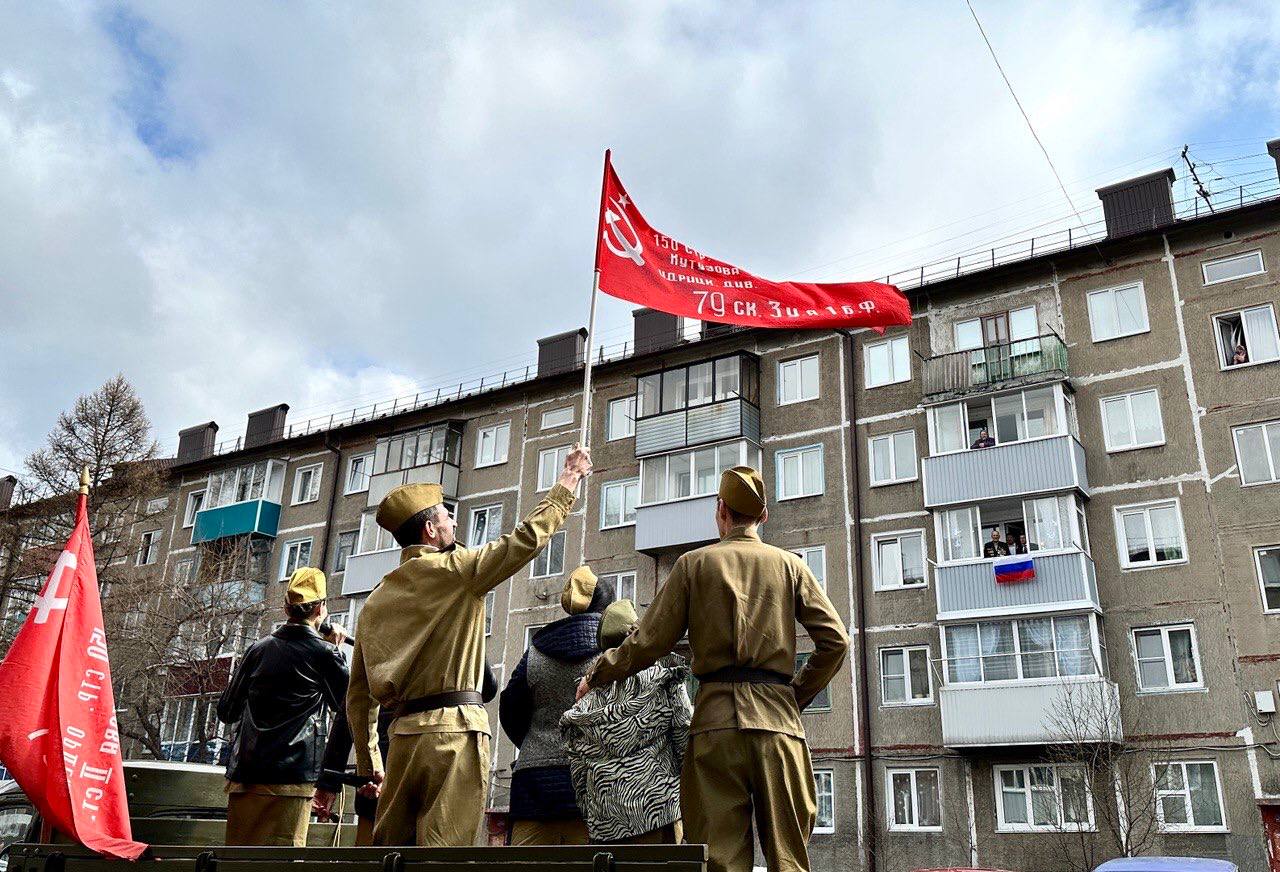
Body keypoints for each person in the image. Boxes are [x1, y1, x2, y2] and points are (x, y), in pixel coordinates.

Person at [576, 466, 848, 872]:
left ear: (721, 511)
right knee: (789, 861)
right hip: (777, 726)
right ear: (764, 516)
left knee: (718, 862)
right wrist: (793, 697)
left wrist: (596, 675)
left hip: (714, 726)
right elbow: (837, 641)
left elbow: (647, 642)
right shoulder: (792, 566)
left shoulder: (692, 565)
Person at [347, 445, 591, 847]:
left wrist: (370, 762)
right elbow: (523, 541)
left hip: (402, 739)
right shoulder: (456, 571)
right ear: (430, 530)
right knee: (446, 852)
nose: (453, 520)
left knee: (389, 853)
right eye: (446, 514)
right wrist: (567, 481)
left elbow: (358, 696)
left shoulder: (374, 600)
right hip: (454, 736)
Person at [216, 568, 349, 847]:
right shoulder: (324, 653)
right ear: (321, 609)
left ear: (286, 607)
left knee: (238, 862)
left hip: (246, 777)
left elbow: (227, 711)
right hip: (293, 780)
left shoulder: (257, 649)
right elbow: (346, 708)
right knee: (281, 861)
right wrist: (335, 652)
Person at [499, 567, 614, 845]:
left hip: (535, 782)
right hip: (597, 781)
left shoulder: (536, 651)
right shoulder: (617, 652)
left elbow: (509, 707)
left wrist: (534, 741)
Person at [562, 599, 691, 845]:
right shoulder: (664, 679)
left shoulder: (586, 698)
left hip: (606, 820)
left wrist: (593, 813)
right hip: (660, 808)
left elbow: (578, 772)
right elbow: (685, 734)